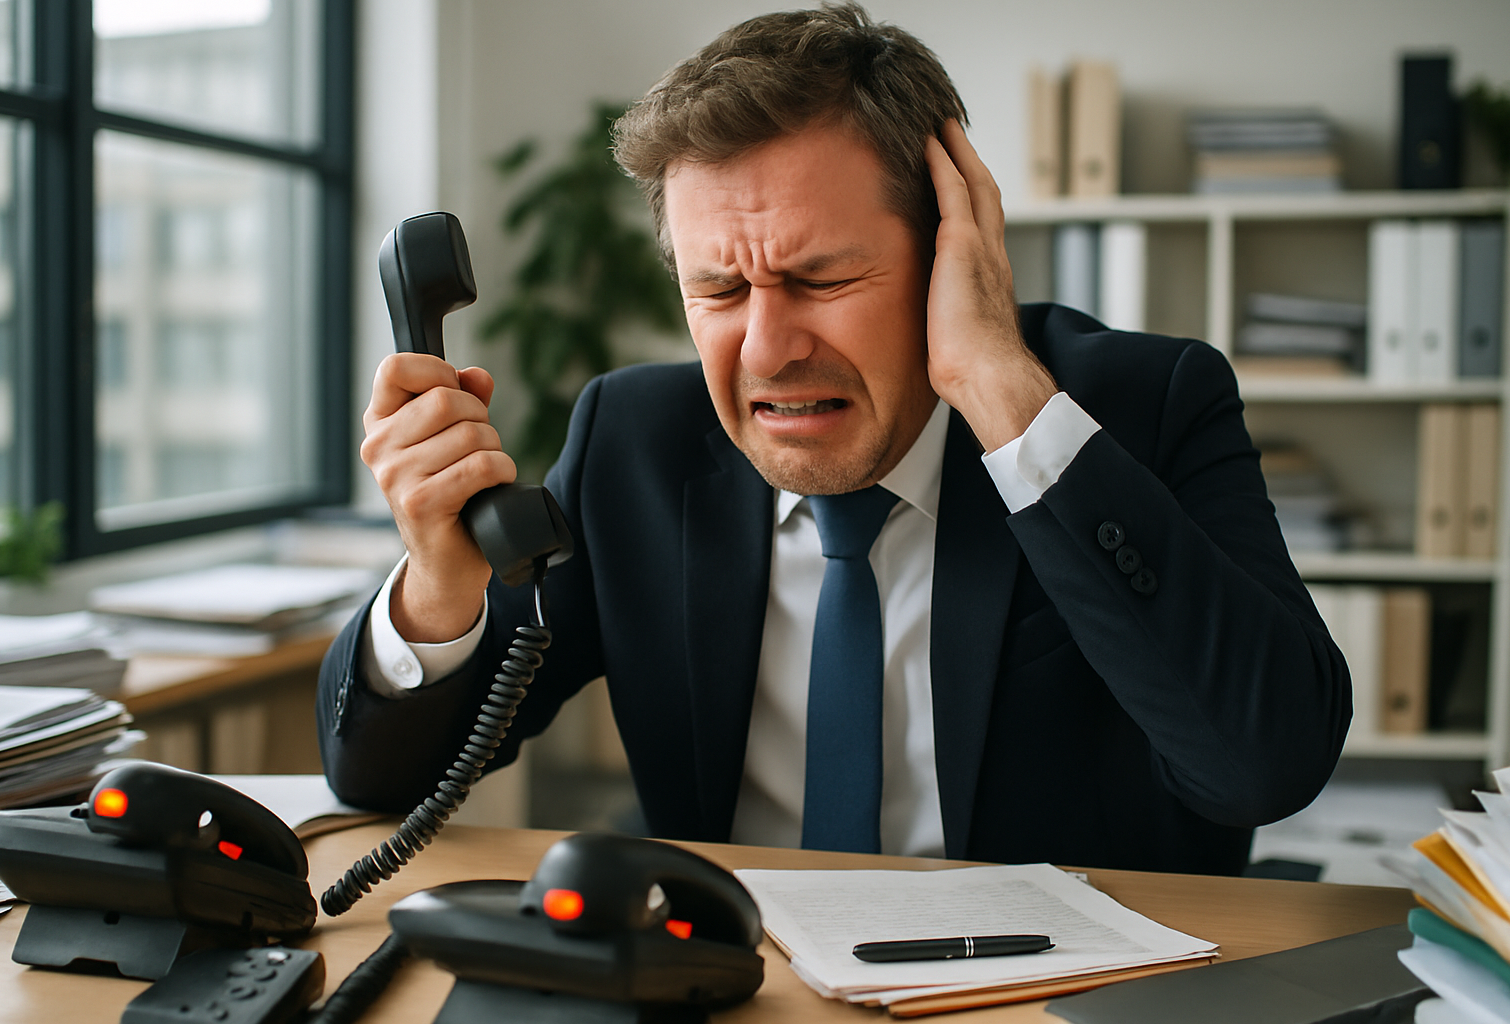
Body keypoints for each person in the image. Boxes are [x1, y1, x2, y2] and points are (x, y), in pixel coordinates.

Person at [318, 2, 1349, 875]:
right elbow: (382, 778)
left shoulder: (1139, 408)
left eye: (820, 278)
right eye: (718, 288)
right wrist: (437, 584)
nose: (767, 346)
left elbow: (1267, 765)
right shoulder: (635, 441)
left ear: (955, 250)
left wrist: (1002, 395)